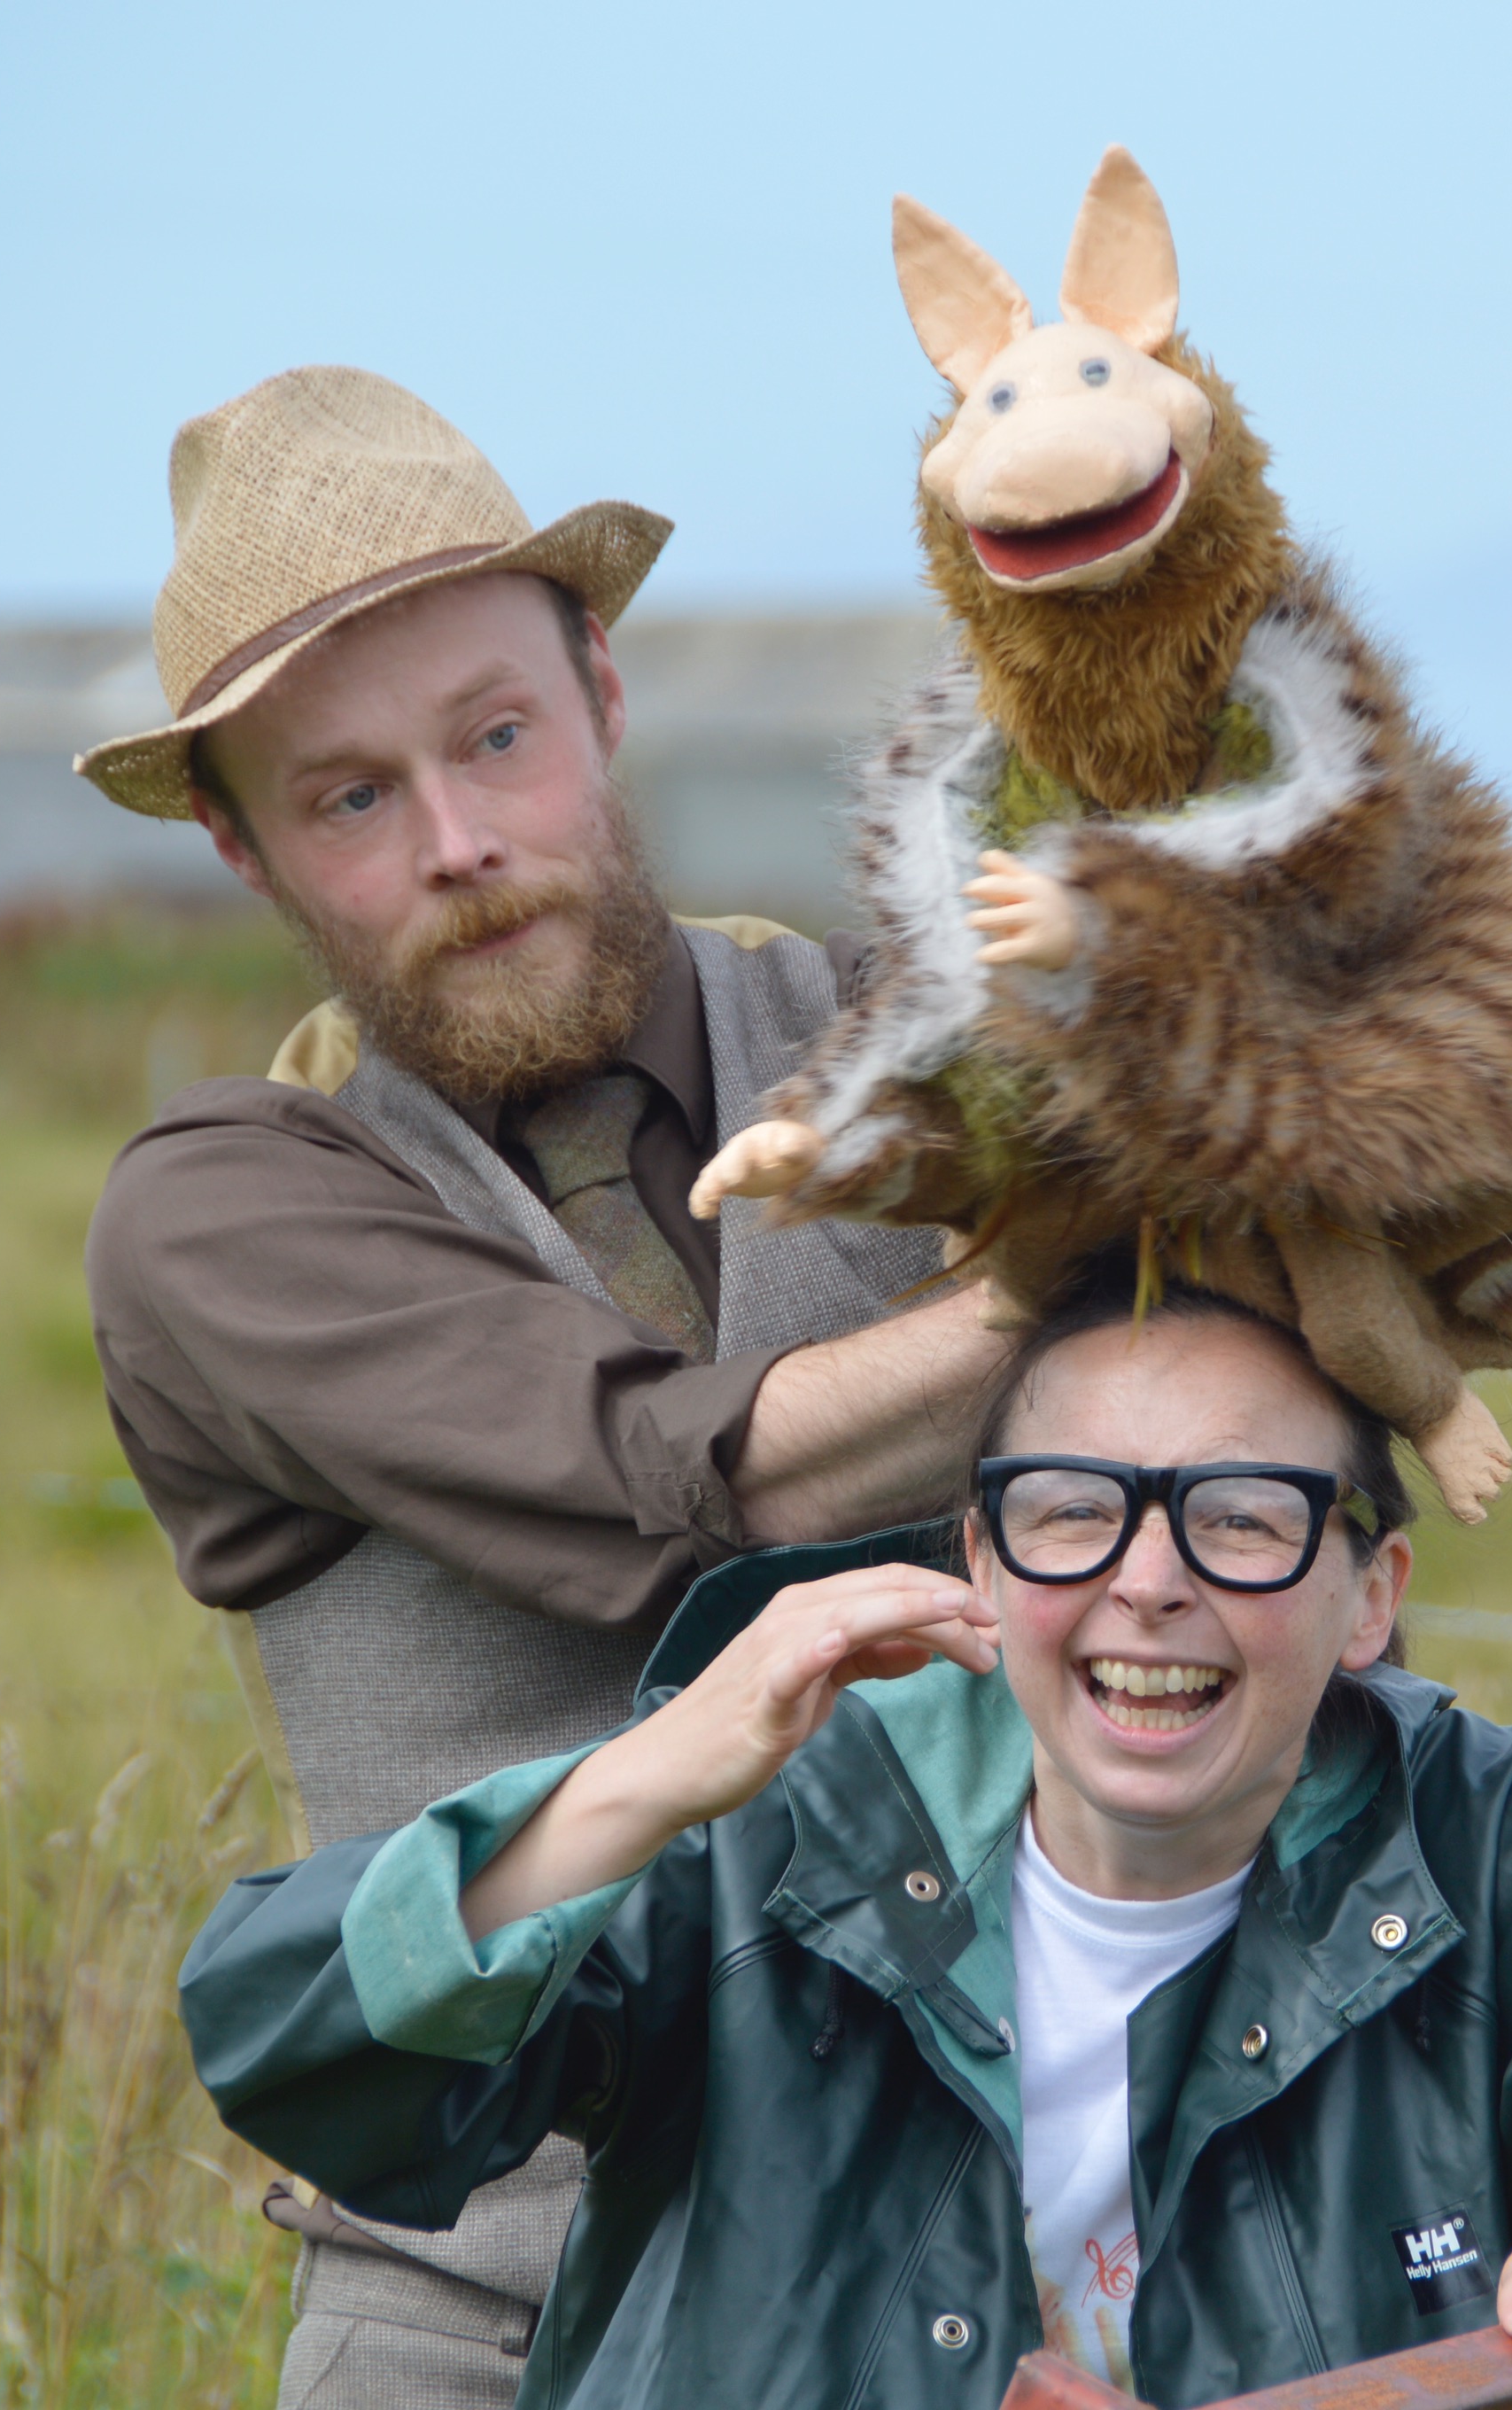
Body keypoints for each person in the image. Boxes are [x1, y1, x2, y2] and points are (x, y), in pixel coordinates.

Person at [179, 1259, 1512, 2410]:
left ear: (1367, 1595)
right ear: (977, 1556)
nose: (1147, 1580)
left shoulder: (1480, 1838)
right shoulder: (785, 1818)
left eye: (1245, 1516)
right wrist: (655, 1769)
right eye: (1067, 1512)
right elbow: (298, 2040)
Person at [74, 365, 1009, 2404]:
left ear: (598, 690)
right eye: (347, 797)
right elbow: (681, 1487)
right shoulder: (226, 1215)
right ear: (246, 854)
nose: (459, 844)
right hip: (488, 2313)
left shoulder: (913, 1045)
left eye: (495, 736)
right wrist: (1101, 1255)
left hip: (988, 2289)